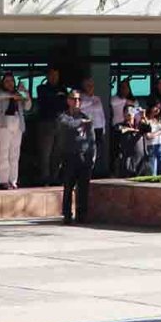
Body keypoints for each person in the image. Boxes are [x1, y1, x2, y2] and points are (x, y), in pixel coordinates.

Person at [56, 89, 96, 224]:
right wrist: (82, 122)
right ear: (68, 101)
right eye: (74, 99)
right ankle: (67, 214)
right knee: (68, 187)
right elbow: (69, 125)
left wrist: (92, 156)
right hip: (69, 156)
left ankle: (82, 215)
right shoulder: (63, 117)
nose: (76, 102)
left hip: (84, 157)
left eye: (79, 99)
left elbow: (91, 138)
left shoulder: (85, 117)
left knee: (83, 188)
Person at [0, 73, 30, 189]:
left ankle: (13, 180)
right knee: (4, 152)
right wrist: (15, 95)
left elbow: (28, 106)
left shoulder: (20, 93)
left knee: (15, 153)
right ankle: (3, 180)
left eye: (11, 81)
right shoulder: (0, 92)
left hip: (17, 122)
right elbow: (0, 96)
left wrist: (26, 94)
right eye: (7, 81)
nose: (9, 83)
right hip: (4, 123)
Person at [32, 67, 66, 185]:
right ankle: (45, 178)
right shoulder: (41, 88)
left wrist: (56, 97)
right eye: (51, 75)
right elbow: (46, 102)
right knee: (45, 152)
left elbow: (64, 104)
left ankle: (55, 177)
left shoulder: (63, 88)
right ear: (47, 76)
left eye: (56, 75)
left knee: (57, 152)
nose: (54, 78)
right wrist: (57, 97)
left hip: (59, 123)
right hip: (45, 123)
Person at [142, 103, 161, 177]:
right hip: (150, 147)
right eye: (155, 107)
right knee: (152, 173)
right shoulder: (145, 120)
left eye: (159, 108)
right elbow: (148, 136)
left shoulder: (160, 120)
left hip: (160, 146)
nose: (157, 109)